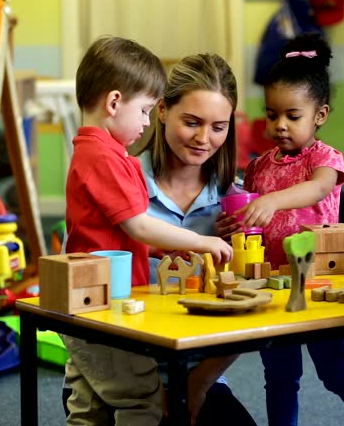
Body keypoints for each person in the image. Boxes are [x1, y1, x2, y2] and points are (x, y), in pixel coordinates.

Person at [62, 36, 233, 426]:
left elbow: (118, 232)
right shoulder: (103, 156)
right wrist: (201, 240)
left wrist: (156, 252)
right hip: (104, 306)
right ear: (114, 102)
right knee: (141, 401)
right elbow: (138, 224)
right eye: (143, 111)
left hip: (99, 300)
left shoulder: (104, 153)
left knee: (91, 407)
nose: (145, 122)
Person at [241, 32, 344, 426]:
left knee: (336, 371)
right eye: (272, 115)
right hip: (273, 286)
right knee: (280, 377)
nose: (280, 125)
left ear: (319, 115)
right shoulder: (258, 166)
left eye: (293, 116)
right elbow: (248, 215)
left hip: (321, 284)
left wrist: (272, 200)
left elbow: (318, 188)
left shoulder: (325, 158)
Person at [129, 53, 256, 426]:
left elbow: (252, 306)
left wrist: (200, 382)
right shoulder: (121, 184)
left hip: (201, 372)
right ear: (163, 110)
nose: (204, 139)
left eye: (219, 126)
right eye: (192, 122)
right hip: (123, 377)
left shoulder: (236, 203)